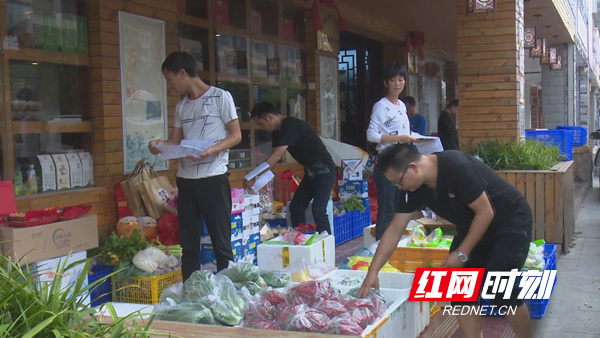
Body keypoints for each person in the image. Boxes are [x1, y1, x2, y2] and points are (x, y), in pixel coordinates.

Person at [357, 143, 533, 338]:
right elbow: (395, 229)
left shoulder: (456, 167)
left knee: (501, 289)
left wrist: (461, 253)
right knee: (459, 289)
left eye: (398, 182)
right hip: (472, 224)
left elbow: (485, 212)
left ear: (413, 168)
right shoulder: (411, 189)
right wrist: (373, 272)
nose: (400, 188)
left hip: (509, 221)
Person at [149, 52, 242, 281]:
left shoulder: (221, 97)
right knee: (189, 245)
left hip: (213, 179)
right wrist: (160, 145)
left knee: (221, 243)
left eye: (170, 79)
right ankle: (191, 292)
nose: (170, 86)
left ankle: (226, 293)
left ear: (183, 73)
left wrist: (212, 149)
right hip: (186, 181)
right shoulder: (181, 107)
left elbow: (236, 135)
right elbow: (175, 141)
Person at [244, 102, 336, 234]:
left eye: (260, 124)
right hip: (311, 172)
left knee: (318, 210)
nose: (262, 128)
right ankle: (299, 237)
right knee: (296, 207)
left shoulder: (290, 125)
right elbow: (273, 161)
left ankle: (326, 245)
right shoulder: (278, 132)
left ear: (269, 117)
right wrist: (256, 182)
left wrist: (253, 177)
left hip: (325, 171)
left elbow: (275, 156)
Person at [366, 62, 416, 240]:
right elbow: (371, 135)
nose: (397, 84)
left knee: (398, 210)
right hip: (387, 163)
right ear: (386, 83)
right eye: (393, 80)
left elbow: (404, 133)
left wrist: (411, 137)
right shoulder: (381, 106)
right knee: (386, 211)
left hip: (403, 163)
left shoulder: (401, 105)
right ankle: (378, 250)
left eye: (401, 80)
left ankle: (393, 251)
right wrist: (399, 139)